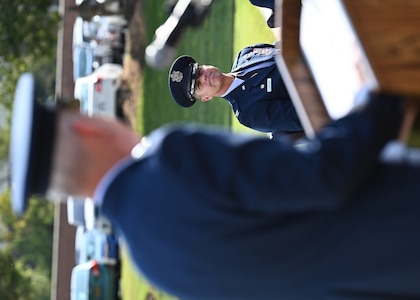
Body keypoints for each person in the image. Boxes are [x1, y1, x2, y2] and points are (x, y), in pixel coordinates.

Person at [10, 73, 420, 299]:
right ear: (84, 127)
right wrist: (376, 99)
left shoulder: (151, 263)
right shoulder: (169, 161)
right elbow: (321, 177)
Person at [168, 43, 305, 141]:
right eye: (198, 85)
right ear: (207, 98)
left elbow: (287, 43)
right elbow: (303, 116)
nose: (203, 77)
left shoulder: (245, 54)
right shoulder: (248, 112)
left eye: (199, 71)